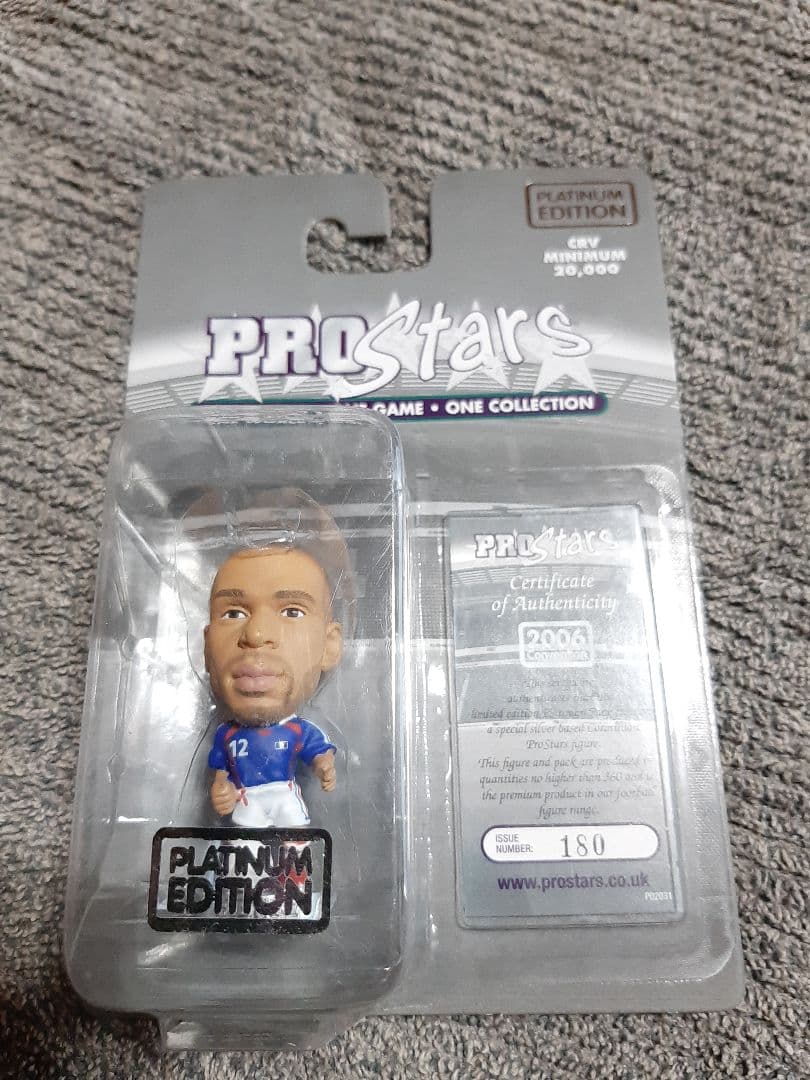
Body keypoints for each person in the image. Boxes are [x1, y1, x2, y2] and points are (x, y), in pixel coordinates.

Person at [205, 489, 350, 828]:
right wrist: (220, 787)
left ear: (330, 645)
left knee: (293, 842)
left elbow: (317, 750)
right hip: (247, 801)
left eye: (292, 611)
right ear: (206, 647)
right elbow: (220, 768)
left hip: (284, 796)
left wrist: (325, 765)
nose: (256, 634)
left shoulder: (298, 729)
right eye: (233, 613)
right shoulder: (227, 736)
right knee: (245, 843)